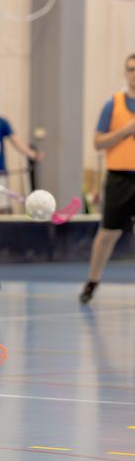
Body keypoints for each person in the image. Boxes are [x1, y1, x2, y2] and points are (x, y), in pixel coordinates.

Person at [79, 52, 135, 303]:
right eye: (131, 69)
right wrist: (125, 131)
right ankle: (92, 280)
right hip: (119, 178)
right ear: (125, 73)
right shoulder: (113, 104)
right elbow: (98, 142)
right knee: (108, 234)